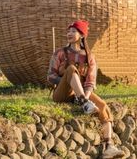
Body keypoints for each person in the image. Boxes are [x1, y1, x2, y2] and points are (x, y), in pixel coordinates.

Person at [47, 20, 124, 159]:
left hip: (81, 93)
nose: (69, 33)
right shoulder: (59, 53)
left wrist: (86, 95)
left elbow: (90, 81)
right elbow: (50, 76)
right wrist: (68, 81)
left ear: (82, 35)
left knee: (102, 105)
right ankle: (83, 102)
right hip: (62, 93)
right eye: (68, 31)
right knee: (71, 69)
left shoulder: (89, 57)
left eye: (73, 31)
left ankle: (109, 145)